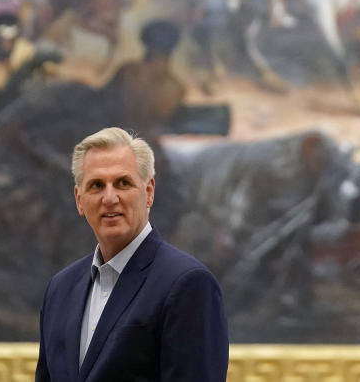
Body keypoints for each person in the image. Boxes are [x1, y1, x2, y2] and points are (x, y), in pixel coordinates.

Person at [34, 127, 229, 382]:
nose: (110, 197)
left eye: (123, 183)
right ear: (79, 200)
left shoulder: (188, 284)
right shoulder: (60, 289)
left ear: (149, 192)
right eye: (96, 185)